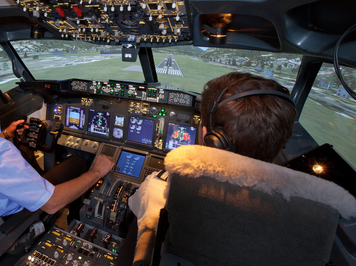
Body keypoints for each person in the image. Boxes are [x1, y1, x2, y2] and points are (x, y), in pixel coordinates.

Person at [127, 72, 297, 265]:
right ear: (280, 146)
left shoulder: (159, 189)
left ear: (212, 140)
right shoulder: (300, 217)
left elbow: (133, 204)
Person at [0, 52, 115, 219]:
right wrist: (96, 171)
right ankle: (74, 219)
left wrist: (5, 134)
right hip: (20, 218)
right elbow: (52, 204)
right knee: (77, 162)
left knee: (25, 147)